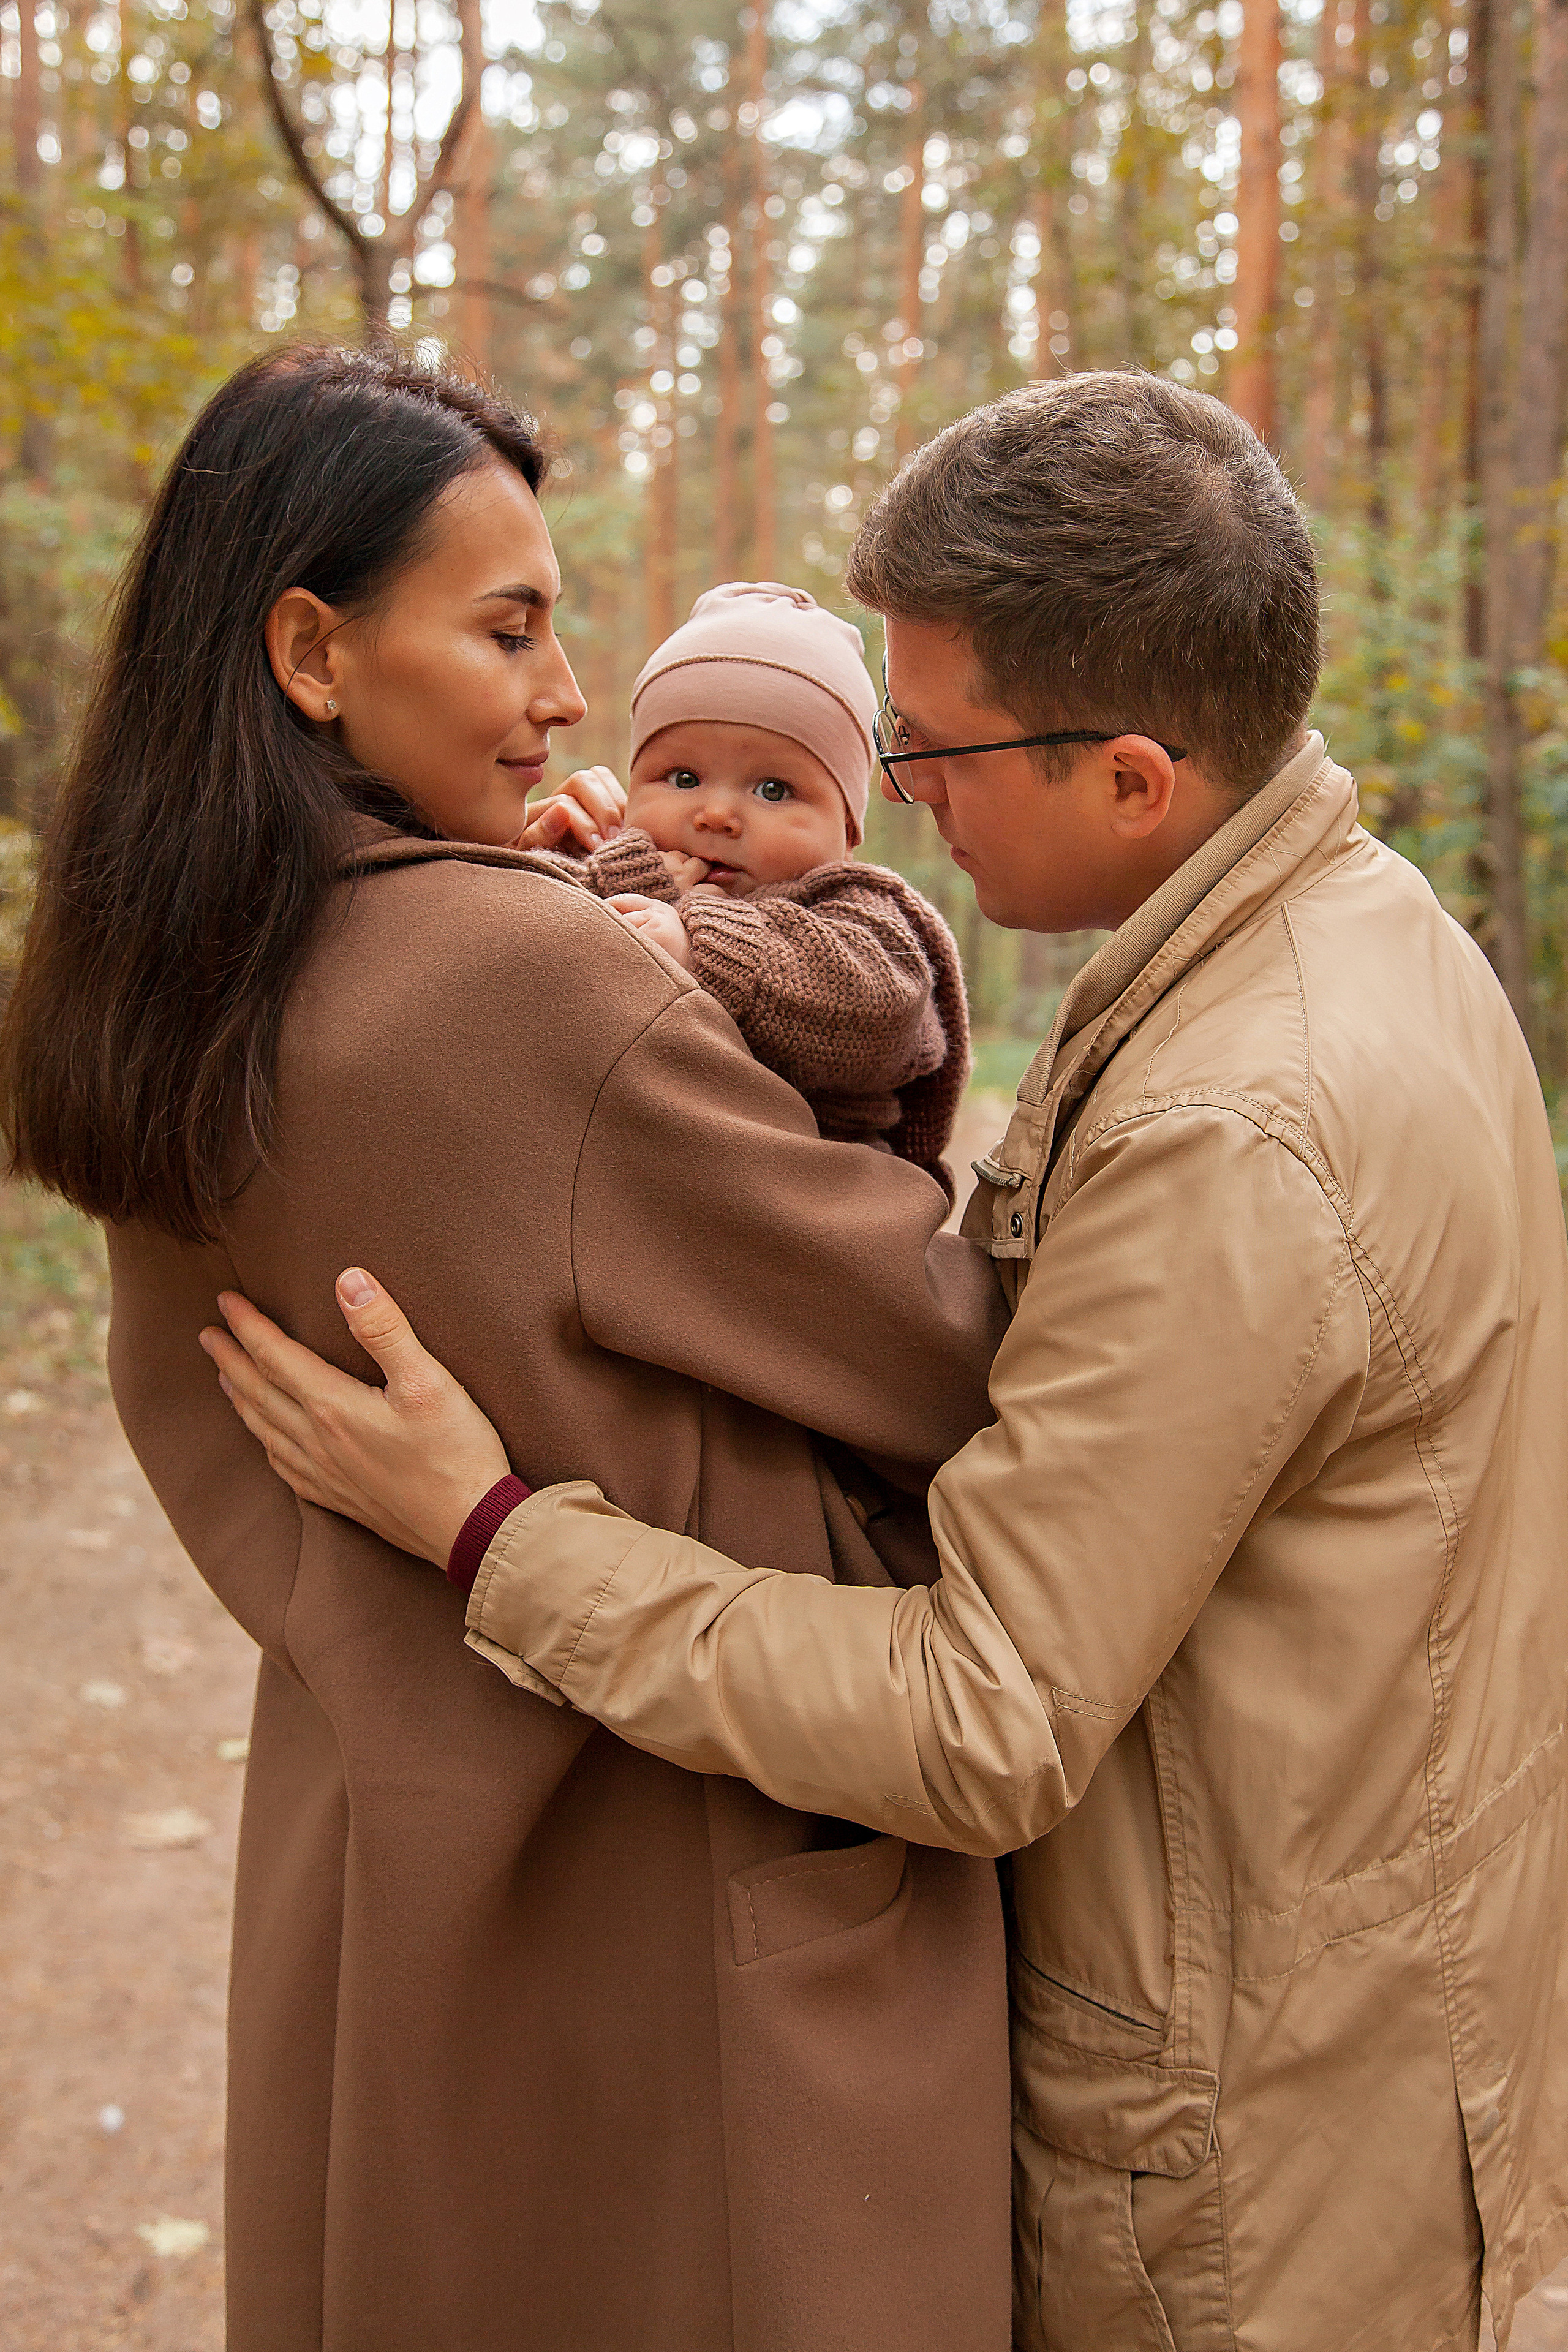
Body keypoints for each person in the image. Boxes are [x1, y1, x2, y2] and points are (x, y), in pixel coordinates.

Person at [207, 374, 1568, 2352]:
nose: (900, 796)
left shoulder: (1239, 1124)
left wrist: (498, 1539)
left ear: (1132, 779)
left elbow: (982, 1718)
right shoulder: (1374, 936)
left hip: (1233, 2192)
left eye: (928, 750)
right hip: (1364, 2053)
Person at [0, 343, 1019, 2352]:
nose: (568, 694)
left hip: (379, 1870)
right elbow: (955, 1361)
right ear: (314, 652)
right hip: (661, 1899)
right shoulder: (523, 980)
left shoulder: (174, 992)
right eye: (510, 629)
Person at [516, 578, 970, 1186]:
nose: (717, 815)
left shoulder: (857, 911)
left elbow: (880, 1011)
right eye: (682, 778)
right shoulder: (610, 868)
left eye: (773, 790)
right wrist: (613, 875)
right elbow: (517, 933)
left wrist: (698, 945)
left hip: (813, 1203)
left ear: (847, 831)